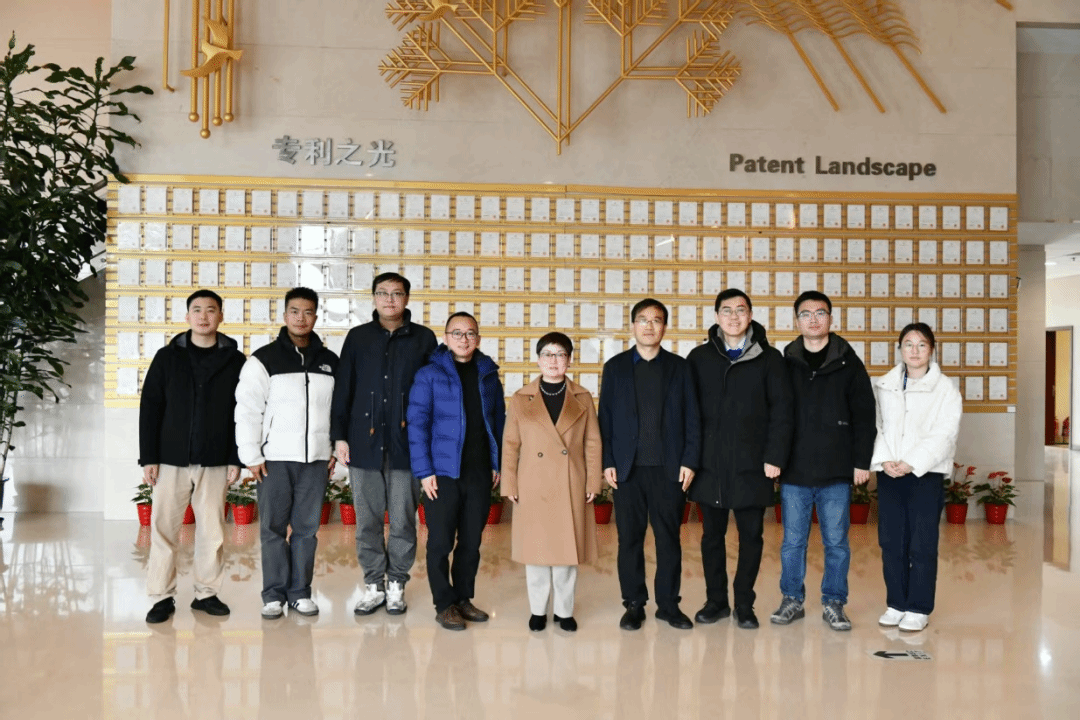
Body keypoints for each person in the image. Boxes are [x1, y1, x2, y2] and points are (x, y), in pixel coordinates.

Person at [331, 272, 437, 616]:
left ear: (407, 298)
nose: (390, 299)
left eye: (397, 293)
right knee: (368, 521)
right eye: (383, 293)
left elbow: (433, 392)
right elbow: (343, 388)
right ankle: (374, 584)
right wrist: (339, 436)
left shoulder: (423, 338)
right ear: (374, 298)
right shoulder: (358, 337)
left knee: (404, 520)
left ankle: (397, 584)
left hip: (408, 445)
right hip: (364, 443)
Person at [687, 289, 793, 630]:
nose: (734, 317)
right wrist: (690, 458)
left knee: (751, 538)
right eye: (727, 310)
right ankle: (716, 601)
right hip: (710, 464)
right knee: (711, 537)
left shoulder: (770, 358)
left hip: (753, 465)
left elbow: (782, 412)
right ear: (717, 316)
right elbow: (688, 413)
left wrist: (775, 455)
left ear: (750, 315)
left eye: (741, 310)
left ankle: (744, 604)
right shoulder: (699, 357)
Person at [771, 291, 877, 632]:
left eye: (820, 313)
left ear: (831, 318)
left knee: (836, 543)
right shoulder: (785, 362)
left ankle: (834, 602)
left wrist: (861, 461)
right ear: (797, 320)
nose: (813, 319)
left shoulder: (849, 362)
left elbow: (865, 416)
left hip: (836, 470)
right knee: (792, 543)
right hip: (795, 470)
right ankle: (792, 599)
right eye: (806, 314)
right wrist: (774, 458)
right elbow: (775, 414)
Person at [139, 289, 246, 624]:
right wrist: (149, 457)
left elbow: (242, 412)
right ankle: (161, 597)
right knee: (163, 530)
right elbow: (151, 407)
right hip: (170, 458)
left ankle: (206, 594)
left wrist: (235, 458)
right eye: (197, 310)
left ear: (221, 316)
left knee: (212, 531)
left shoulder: (235, 360)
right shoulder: (167, 357)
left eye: (210, 310)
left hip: (215, 459)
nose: (203, 316)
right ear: (187, 316)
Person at [235, 287, 338, 619]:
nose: (301, 318)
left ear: (316, 317)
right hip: (274, 459)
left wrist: (335, 449)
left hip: (316, 460)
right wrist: (251, 454)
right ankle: (274, 594)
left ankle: (300, 593)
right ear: (284, 315)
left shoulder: (330, 362)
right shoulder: (263, 360)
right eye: (295, 311)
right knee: (273, 529)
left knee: (307, 530)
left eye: (308, 312)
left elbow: (340, 411)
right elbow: (248, 409)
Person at [598, 299, 701, 631]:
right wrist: (608, 461)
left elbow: (693, 417)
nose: (649, 326)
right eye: (643, 320)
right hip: (627, 470)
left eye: (656, 320)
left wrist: (690, 460)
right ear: (633, 326)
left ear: (665, 327)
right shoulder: (615, 368)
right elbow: (605, 419)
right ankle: (634, 603)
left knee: (668, 539)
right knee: (629, 539)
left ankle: (668, 605)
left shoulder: (680, 367)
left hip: (669, 470)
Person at [407, 312, 505, 631]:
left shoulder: (488, 374)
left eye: (470, 333)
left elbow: (498, 423)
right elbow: (417, 425)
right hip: (442, 473)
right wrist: (424, 471)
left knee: (471, 542)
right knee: (440, 542)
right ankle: (444, 604)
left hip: (478, 472)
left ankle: (463, 598)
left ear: (478, 338)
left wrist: (496, 463)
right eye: (457, 333)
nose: (464, 339)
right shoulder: (429, 374)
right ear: (446, 337)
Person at [502, 332, 602, 633]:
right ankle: (537, 610)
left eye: (560, 354)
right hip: (532, 482)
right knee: (536, 553)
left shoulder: (583, 397)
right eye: (547, 354)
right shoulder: (521, 398)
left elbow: (593, 443)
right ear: (538, 359)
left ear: (569, 360)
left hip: (571, 481)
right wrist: (510, 483)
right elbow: (510, 444)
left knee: (566, 554)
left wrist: (593, 482)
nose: (553, 360)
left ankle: (564, 611)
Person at [871, 322, 962, 633]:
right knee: (891, 542)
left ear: (932, 350)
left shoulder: (945, 389)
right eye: (908, 344)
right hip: (889, 473)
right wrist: (885, 460)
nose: (914, 350)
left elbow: (945, 433)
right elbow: (876, 426)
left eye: (922, 344)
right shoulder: (884, 385)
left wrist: (911, 463)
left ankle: (919, 607)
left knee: (922, 543)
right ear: (900, 349)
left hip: (925, 474)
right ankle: (896, 603)